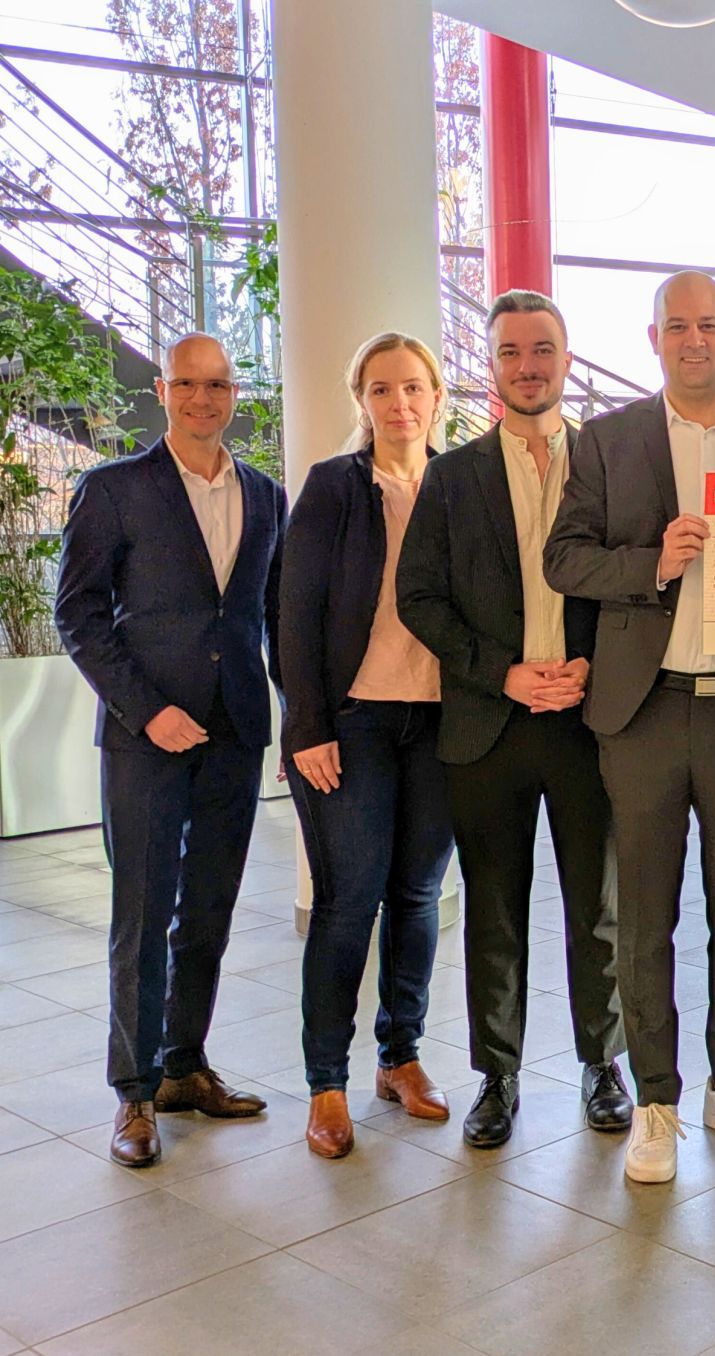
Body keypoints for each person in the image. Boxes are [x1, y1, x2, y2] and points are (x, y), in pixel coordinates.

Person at [543, 270, 715, 1185]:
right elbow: (564, 557)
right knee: (644, 917)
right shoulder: (608, 440)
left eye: (709, 325)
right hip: (643, 711)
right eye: (677, 326)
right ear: (653, 338)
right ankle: (656, 1100)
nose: (694, 339)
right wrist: (650, 562)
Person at [397, 291, 630, 1151]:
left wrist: (594, 666)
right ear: (489, 367)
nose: (527, 366)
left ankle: (602, 1064)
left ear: (566, 360)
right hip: (487, 726)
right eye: (509, 353)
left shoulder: (609, 463)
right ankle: (496, 1077)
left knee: (596, 908)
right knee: (494, 910)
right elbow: (417, 596)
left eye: (542, 350)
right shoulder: (451, 476)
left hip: (589, 719)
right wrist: (502, 674)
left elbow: (637, 583)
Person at [55, 332, 286, 1168]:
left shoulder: (265, 495)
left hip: (234, 732)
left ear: (235, 393)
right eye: (187, 384)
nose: (203, 399)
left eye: (217, 385)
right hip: (144, 738)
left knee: (210, 913)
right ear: (163, 390)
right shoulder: (113, 489)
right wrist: (147, 711)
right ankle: (133, 1093)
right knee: (143, 915)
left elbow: (269, 618)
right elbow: (76, 616)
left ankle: (186, 1067)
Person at [280, 332, 457, 1159]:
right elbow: (291, 614)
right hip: (351, 722)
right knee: (349, 901)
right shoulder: (332, 488)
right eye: (381, 389)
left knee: (417, 897)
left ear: (436, 397)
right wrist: (306, 725)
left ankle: (401, 1057)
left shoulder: (460, 484)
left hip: (441, 721)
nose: (399, 404)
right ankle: (326, 1082)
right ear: (362, 400)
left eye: (413, 388)